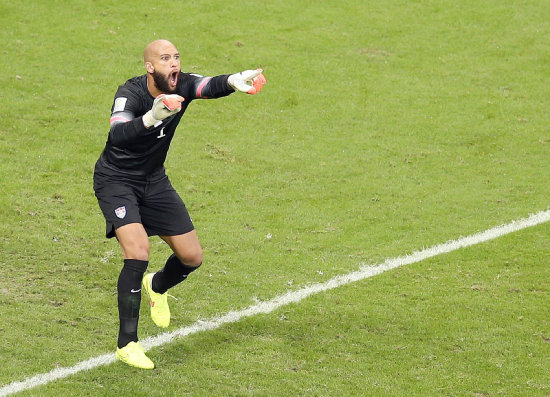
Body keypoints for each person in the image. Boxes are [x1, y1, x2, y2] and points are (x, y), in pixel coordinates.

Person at [93, 39, 266, 369]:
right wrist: (150, 117)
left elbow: (206, 85)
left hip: (153, 181)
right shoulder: (130, 93)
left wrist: (232, 80)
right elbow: (117, 133)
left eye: (175, 57)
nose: (173, 63)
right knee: (138, 250)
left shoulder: (181, 83)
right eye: (164, 58)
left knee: (191, 256)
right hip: (117, 180)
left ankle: (155, 286)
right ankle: (127, 344)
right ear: (150, 67)